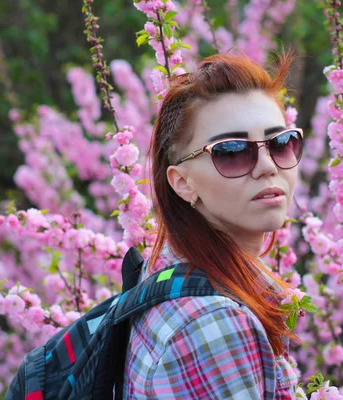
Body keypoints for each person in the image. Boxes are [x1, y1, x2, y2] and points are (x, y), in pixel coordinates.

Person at [123, 48, 304, 399]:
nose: (268, 166)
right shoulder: (215, 322)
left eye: (281, 143)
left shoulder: (165, 273)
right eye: (232, 151)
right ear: (182, 182)